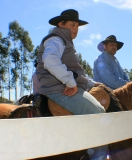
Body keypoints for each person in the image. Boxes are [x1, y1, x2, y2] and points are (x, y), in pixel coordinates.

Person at [35, 9, 107, 160]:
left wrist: (92, 83)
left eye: (77, 26)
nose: (75, 29)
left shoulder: (65, 41)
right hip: (58, 90)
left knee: (99, 107)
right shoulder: (56, 39)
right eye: (72, 25)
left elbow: (75, 72)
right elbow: (50, 60)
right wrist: (70, 82)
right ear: (61, 24)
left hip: (64, 87)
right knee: (97, 113)